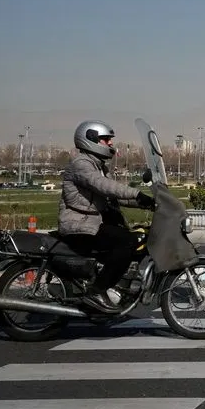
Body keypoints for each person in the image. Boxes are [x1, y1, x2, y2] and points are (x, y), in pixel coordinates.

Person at [58, 120, 156, 312]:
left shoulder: (98, 165)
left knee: (137, 237)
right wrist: (136, 194)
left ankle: (116, 283)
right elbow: (105, 186)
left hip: (90, 223)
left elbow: (112, 196)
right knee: (126, 242)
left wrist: (149, 203)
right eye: (105, 140)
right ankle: (97, 291)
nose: (110, 144)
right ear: (90, 140)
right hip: (79, 225)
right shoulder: (81, 164)